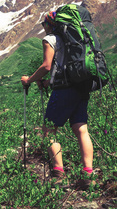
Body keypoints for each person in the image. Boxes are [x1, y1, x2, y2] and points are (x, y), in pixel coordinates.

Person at [20, 10, 95, 190]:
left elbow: (47, 65)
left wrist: (29, 80)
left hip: (64, 90)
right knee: (81, 129)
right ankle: (87, 174)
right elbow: (66, 68)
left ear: (49, 24)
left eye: (43, 25)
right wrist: (47, 83)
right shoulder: (75, 40)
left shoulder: (51, 39)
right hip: (81, 86)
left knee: (49, 131)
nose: (43, 28)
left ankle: (58, 173)